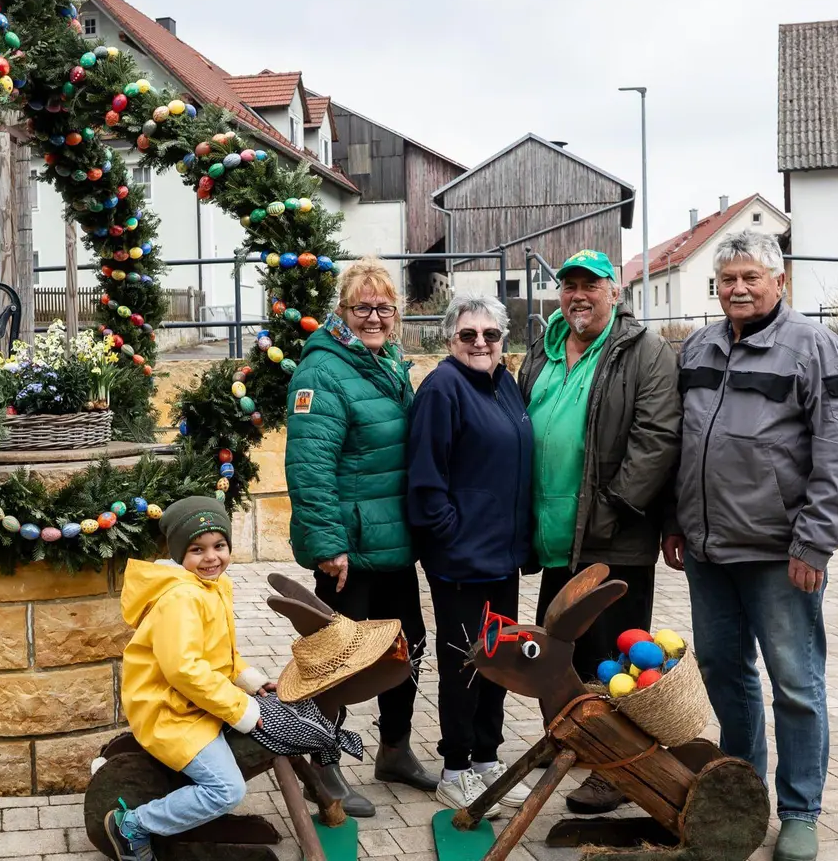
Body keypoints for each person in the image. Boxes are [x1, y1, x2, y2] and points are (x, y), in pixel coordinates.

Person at [661, 230, 838, 861]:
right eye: (728, 279)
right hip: (707, 552)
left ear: (780, 282)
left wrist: (815, 545)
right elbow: (682, 443)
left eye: (752, 277)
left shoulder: (815, 348)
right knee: (725, 673)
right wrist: (674, 519)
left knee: (796, 683)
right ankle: (740, 791)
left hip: (781, 556)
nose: (739, 288)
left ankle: (801, 811)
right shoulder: (699, 345)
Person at [515, 249, 681, 814]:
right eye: (569, 286)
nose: (578, 295)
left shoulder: (643, 352)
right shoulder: (542, 351)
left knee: (614, 662)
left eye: (591, 285)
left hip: (612, 540)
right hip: (556, 539)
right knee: (561, 660)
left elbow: (656, 439)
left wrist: (611, 510)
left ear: (615, 291)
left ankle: (616, 771)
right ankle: (573, 742)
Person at [285, 258, 438, 814]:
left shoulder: (389, 362)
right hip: (349, 549)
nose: (374, 317)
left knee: (407, 647)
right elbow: (308, 464)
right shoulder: (322, 371)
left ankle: (393, 749)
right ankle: (323, 767)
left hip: (394, 541)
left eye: (384, 308)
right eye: (362, 307)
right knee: (339, 659)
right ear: (342, 311)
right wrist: (327, 543)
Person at [406, 293, 534, 817]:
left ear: (504, 340)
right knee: (464, 664)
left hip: (502, 557)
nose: (480, 343)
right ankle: (455, 769)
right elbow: (425, 479)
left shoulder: (505, 383)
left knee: (498, 660)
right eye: (468, 335)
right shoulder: (442, 388)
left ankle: (487, 759)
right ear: (449, 339)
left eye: (491, 335)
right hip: (461, 560)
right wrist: (450, 535)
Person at [108, 496, 275, 861]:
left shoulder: (214, 586)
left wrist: (249, 680)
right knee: (226, 790)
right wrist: (240, 708)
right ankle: (133, 825)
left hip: (194, 701)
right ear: (180, 554)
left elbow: (219, 653)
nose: (211, 557)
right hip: (170, 710)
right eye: (197, 549)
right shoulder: (182, 598)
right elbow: (184, 669)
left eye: (220, 546)